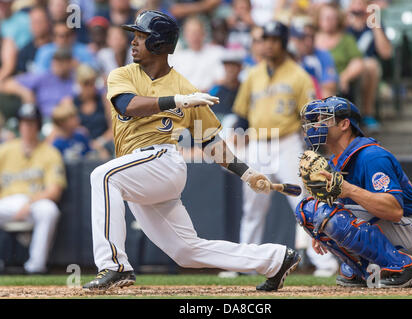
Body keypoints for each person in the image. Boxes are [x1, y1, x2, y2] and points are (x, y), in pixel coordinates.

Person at [82, 10, 300, 291]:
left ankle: (114, 266)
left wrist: (246, 173)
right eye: (134, 36)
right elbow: (128, 105)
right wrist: (178, 101)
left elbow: (210, 142)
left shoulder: (185, 86)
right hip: (135, 169)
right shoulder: (122, 75)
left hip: (163, 161)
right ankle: (275, 258)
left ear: (160, 43)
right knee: (187, 251)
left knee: (103, 176)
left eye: (141, 36)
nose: (133, 42)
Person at [231, 21, 339, 277]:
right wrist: (238, 136)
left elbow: (312, 116)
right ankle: (246, 262)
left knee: (302, 203)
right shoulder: (253, 75)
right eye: (264, 39)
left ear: (283, 43)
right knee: (253, 207)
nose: (268, 44)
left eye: (273, 40)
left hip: (287, 142)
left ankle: (323, 262)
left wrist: (312, 146)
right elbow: (242, 115)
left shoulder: (298, 75)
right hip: (257, 144)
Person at [298, 96, 412, 287]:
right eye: (314, 120)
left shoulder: (371, 156)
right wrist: (324, 228)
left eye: (324, 119)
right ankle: (361, 270)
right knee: (308, 210)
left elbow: (394, 211)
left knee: (325, 213)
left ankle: (401, 267)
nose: (315, 125)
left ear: (345, 124)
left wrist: (349, 191)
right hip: (388, 226)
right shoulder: (333, 162)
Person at [0, 103, 67, 274]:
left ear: (38, 125)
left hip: (35, 201)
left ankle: (36, 266)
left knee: (50, 210)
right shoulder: (6, 150)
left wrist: (29, 204)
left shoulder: (50, 152)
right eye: (24, 122)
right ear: (19, 124)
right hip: (7, 202)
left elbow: (54, 191)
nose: (27, 127)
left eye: (31, 122)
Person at [346, 0, 392, 133]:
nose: (357, 8)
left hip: (368, 71)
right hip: (346, 67)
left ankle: (367, 114)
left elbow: (386, 53)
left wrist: (375, 25)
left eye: (361, 4)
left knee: (371, 65)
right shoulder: (344, 25)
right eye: (354, 4)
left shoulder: (373, 25)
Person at [0, 47, 76, 121]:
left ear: (70, 63)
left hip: (65, 120)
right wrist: (25, 93)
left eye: (62, 61)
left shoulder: (75, 79)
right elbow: (6, 84)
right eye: (56, 60)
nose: (58, 64)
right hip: (41, 120)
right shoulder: (43, 77)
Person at [314, 3, 364, 103]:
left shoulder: (346, 39)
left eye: (332, 18)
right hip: (312, 82)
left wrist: (344, 77)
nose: (329, 21)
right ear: (319, 20)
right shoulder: (310, 38)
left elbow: (358, 62)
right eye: (325, 17)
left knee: (328, 87)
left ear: (338, 20)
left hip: (336, 83)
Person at [169, 15, 225, 92]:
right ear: (185, 35)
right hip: (184, 99)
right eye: (190, 33)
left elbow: (221, 80)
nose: (194, 36)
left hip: (210, 97)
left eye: (197, 32)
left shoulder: (216, 53)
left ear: (204, 33)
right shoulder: (177, 58)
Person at [289, 21, 338, 99]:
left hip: (314, 97)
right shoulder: (287, 57)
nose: (308, 41)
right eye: (303, 37)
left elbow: (330, 85)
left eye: (312, 37)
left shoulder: (323, 55)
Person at [33, 21, 98, 73]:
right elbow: (38, 74)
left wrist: (80, 67)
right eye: (61, 36)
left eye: (67, 35)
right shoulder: (44, 51)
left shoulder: (84, 50)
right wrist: (56, 70)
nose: (64, 39)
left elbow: (95, 71)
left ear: (73, 36)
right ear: (54, 37)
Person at [15, 5, 52, 75]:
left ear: (48, 23)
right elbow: (21, 77)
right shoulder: (25, 51)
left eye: (39, 22)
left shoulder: (57, 47)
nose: (36, 26)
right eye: (33, 22)